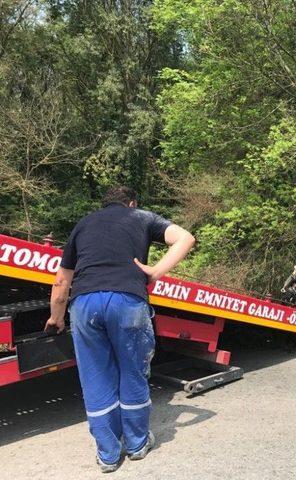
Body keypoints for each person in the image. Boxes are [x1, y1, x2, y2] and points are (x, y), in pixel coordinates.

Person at [45, 186, 195, 473]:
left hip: (85, 303)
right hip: (127, 300)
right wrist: (155, 271)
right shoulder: (142, 217)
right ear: (131, 202)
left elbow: (61, 282)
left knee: (95, 377)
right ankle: (137, 444)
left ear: (103, 205)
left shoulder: (84, 224)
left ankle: (108, 454)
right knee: (132, 371)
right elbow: (185, 238)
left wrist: (57, 317)